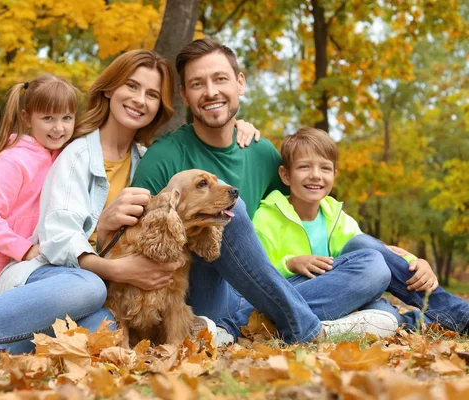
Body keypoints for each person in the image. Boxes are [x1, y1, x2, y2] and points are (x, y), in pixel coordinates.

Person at [0, 49, 260, 370]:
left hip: (109, 298)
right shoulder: (74, 153)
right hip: (53, 279)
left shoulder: (149, 161)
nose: (141, 100)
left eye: (153, 94)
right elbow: (57, 239)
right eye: (132, 86)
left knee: (105, 324)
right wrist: (110, 255)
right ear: (109, 90)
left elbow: (190, 191)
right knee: (87, 286)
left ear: (161, 106)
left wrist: (239, 127)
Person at [132, 38, 398, 344]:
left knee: (373, 266)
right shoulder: (163, 158)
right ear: (184, 95)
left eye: (220, 79)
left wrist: (401, 258)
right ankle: (312, 328)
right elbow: (142, 238)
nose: (211, 91)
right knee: (233, 211)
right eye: (197, 84)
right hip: (199, 291)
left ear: (240, 83)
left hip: (259, 292)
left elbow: (302, 213)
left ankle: (238, 328)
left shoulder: (260, 151)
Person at [252, 127, 469, 333]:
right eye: (304, 167)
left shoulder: (334, 216)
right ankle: (459, 316)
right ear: (286, 175)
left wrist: (416, 262)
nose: (316, 175)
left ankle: (443, 315)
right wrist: (290, 263)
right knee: (376, 268)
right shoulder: (267, 217)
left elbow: (373, 250)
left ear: (334, 175)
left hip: (339, 297)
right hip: (291, 297)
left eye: (325, 168)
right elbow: (255, 277)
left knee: (366, 254)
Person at [0, 74, 78, 307]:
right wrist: (24, 250)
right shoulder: (14, 161)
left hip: (20, 267)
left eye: (67, 117)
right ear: (26, 118)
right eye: (48, 118)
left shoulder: (61, 157)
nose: (59, 127)